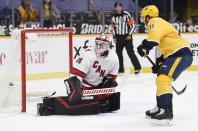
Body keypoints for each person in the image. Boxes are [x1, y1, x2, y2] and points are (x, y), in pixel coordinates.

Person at [37, 34, 120, 115]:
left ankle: (94, 103)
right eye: (97, 43)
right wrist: (76, 90)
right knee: (76, 101)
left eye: (101, 44)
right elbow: (75, 75)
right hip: (83, 87)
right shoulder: (88, 54)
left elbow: (111, 78)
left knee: (113, 101)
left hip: (97, 88)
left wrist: (109, 83)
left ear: (107, 46)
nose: (98, 46)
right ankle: (50, 104)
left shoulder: (114, 58)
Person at [137, 5, 193, 124]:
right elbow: (162, 47)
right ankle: (160, 107)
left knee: (163, 79)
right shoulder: (162, 24)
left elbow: (153, 40)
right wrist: (160, 64)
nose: (143, 20)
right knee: (161, 79)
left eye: (144, 18)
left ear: (148, 16)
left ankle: (167, 110)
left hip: (179, 54)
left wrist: (143, 46)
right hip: (175, 54)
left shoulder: (155, 21)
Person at [111, 1, 141, 75]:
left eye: (119, 6)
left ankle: (138, 68)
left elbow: (133, 25)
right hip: (118, 37)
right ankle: (120, 70)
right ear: (115, 8)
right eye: (116, 7)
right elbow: (112, 28)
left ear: (121, 7)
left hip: (127, 37)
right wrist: (114, 37)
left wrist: (129, 34)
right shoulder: (114, 17)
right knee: (118, 54)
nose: (118, 8)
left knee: (130, 53)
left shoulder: (126, 14)